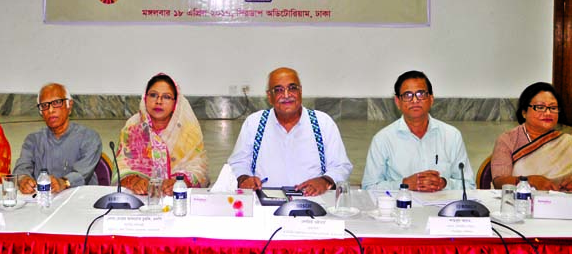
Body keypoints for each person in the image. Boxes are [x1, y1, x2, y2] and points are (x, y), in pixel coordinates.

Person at [227, 67, 352, 196]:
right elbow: (238, 163)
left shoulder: (323, 123)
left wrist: (325, 181)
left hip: (313, 201)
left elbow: (341, 166)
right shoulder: (254, 123)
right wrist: (244, 179)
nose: (286, 95)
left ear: (300, 91)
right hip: (264, 202)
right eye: (279, 90)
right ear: (269, 97)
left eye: (292, 88)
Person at [362, 70, 474, 191]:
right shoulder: (383, 139)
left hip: (440, 208)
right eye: (407, 95)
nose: (415, 100)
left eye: (421, 94)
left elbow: (469, 186)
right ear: (397, 102)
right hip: (400, 208)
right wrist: (404, 184)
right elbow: (369, 187)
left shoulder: (452, 135)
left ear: (431, 99)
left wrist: (444, 183)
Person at [115, 73, 208, 195]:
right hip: (139, 199)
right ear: (145, 98)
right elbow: (122, 165)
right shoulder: (133, 127)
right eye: (153, 95)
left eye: (166, 97)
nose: (158, 101)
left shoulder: (188, 130)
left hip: (179, 198)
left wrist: (180, 182)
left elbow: (199, 168)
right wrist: (133, 180)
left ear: (176, 102)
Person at [14, 83, 102, 194]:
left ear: (69, 105)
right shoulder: (33, 140)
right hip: (43, 201)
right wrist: (23, 179)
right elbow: (21, 167)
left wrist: (63, 182)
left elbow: (82, 174)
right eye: (45, 105)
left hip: (79, 199)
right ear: (41, 112)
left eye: (56, 103)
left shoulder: (89, 138)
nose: (50, 110)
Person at [491, 82, 572, 191]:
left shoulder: (567, 142)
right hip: (520, 201)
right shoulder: (508, 140)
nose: (548, 113)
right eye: (540, 107)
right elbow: (499, 182)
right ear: (524, 112)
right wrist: (528, 181)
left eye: (553, 108)